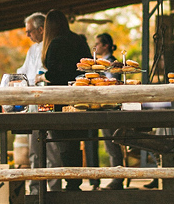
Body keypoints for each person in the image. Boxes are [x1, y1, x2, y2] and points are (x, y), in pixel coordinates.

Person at [39, 10, 92, 191]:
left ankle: (69, 182)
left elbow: (55, 74)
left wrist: (43, 77)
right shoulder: (79, 41)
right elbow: (87, 68)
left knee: (62, 142)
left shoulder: (55, 44)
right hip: (81, 98)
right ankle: (74, 182)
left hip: (60, 99)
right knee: (76, 141)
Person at [18, 12, 61, 193]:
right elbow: (24, 71)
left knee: (52, 149)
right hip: (33, 106)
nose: (27, 35)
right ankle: (36, 191)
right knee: (35, 150)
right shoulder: (32, 50)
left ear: (41, 29)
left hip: (48, 103)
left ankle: (55, 190)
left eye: (29, 31)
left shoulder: (53, 45)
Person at [94, 33, 125, 190]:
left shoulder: (110, 63)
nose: (96, 46)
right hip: (106, 106)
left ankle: (117, 179)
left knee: (113, 143)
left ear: (105, 45)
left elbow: (110, 83)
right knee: (110, 144)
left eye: (98, 43)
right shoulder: (102, 63)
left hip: (111, 107)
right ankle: (116, 177)